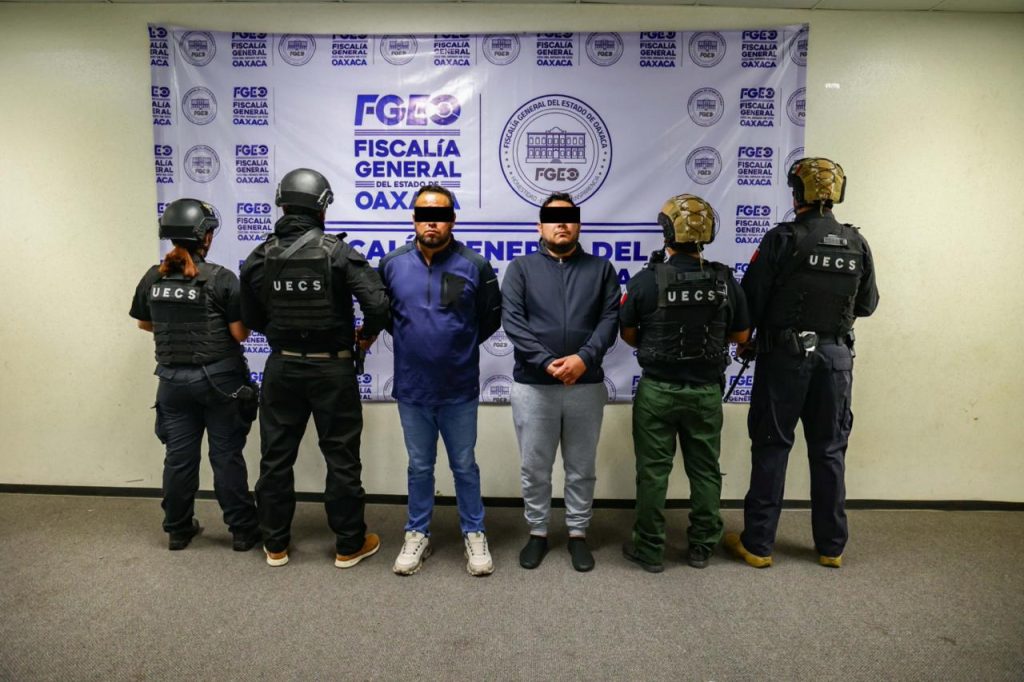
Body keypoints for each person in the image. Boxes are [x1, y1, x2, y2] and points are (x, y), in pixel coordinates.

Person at [724, 157, 879, 569]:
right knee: (829, 451)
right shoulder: (856, 242)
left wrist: (751, 339)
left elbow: (751, 301)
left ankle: (758, 545)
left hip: (785, 358)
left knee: (772, 445)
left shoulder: (782, 239)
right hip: (836, 360)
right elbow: (867, 305)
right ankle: (831, 547)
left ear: (797, 194)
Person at [239, 168, 389, 568]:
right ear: (322, 208)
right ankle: (348, 545)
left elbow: (249, 317)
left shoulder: (259, 256)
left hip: (282, 367)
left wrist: (283, 329)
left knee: (275, 457)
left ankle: (275, 544)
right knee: (341, 457)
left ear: (282, 205)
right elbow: (378, 304)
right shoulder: (338, 253)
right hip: (332, 370)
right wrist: (365, 335)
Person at [619, 194, 751, 572]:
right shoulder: (725, 281)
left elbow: (629, 334)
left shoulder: (646, 280)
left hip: (658, 391)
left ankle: (649, 550)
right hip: (705, 392)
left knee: (652, 472)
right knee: (705, 470)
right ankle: (702, 547)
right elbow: (741, 336)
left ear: (666, 233)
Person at [379, 184, 502, 577]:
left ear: (452, 219)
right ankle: (417, 533)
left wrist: (455, 345)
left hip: (458, 388)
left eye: (440, 214)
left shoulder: (474, 265)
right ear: (414, 218)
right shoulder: (392, 264)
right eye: (424, 214)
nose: (431, 222)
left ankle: (474, 532)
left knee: (464, 465)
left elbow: (489, 319)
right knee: (419, 466)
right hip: (412, 388)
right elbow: (388, 318)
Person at [130, 198, 260, 552]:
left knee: (179, 458)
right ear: (206, 237)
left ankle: (177, 529)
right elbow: (239, 334)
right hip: (219, 383)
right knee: (226, 456)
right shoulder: (221, 278)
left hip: (172, 383)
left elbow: (145, 323)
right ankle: (243, 531)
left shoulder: (153, 276)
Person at [500, 193, 619, 572]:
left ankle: (577, 533)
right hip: (534, 386)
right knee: (535, 467)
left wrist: (583, 359)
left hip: (586, 385)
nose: (561, 224)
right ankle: (537, 531)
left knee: (581, 467)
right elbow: (513, 322)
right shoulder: (520, 268)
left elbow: (609, 320)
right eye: (553, 218)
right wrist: (547, 363)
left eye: (568, 217)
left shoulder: (601, 269)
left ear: (578, 224)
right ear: (540, 226)